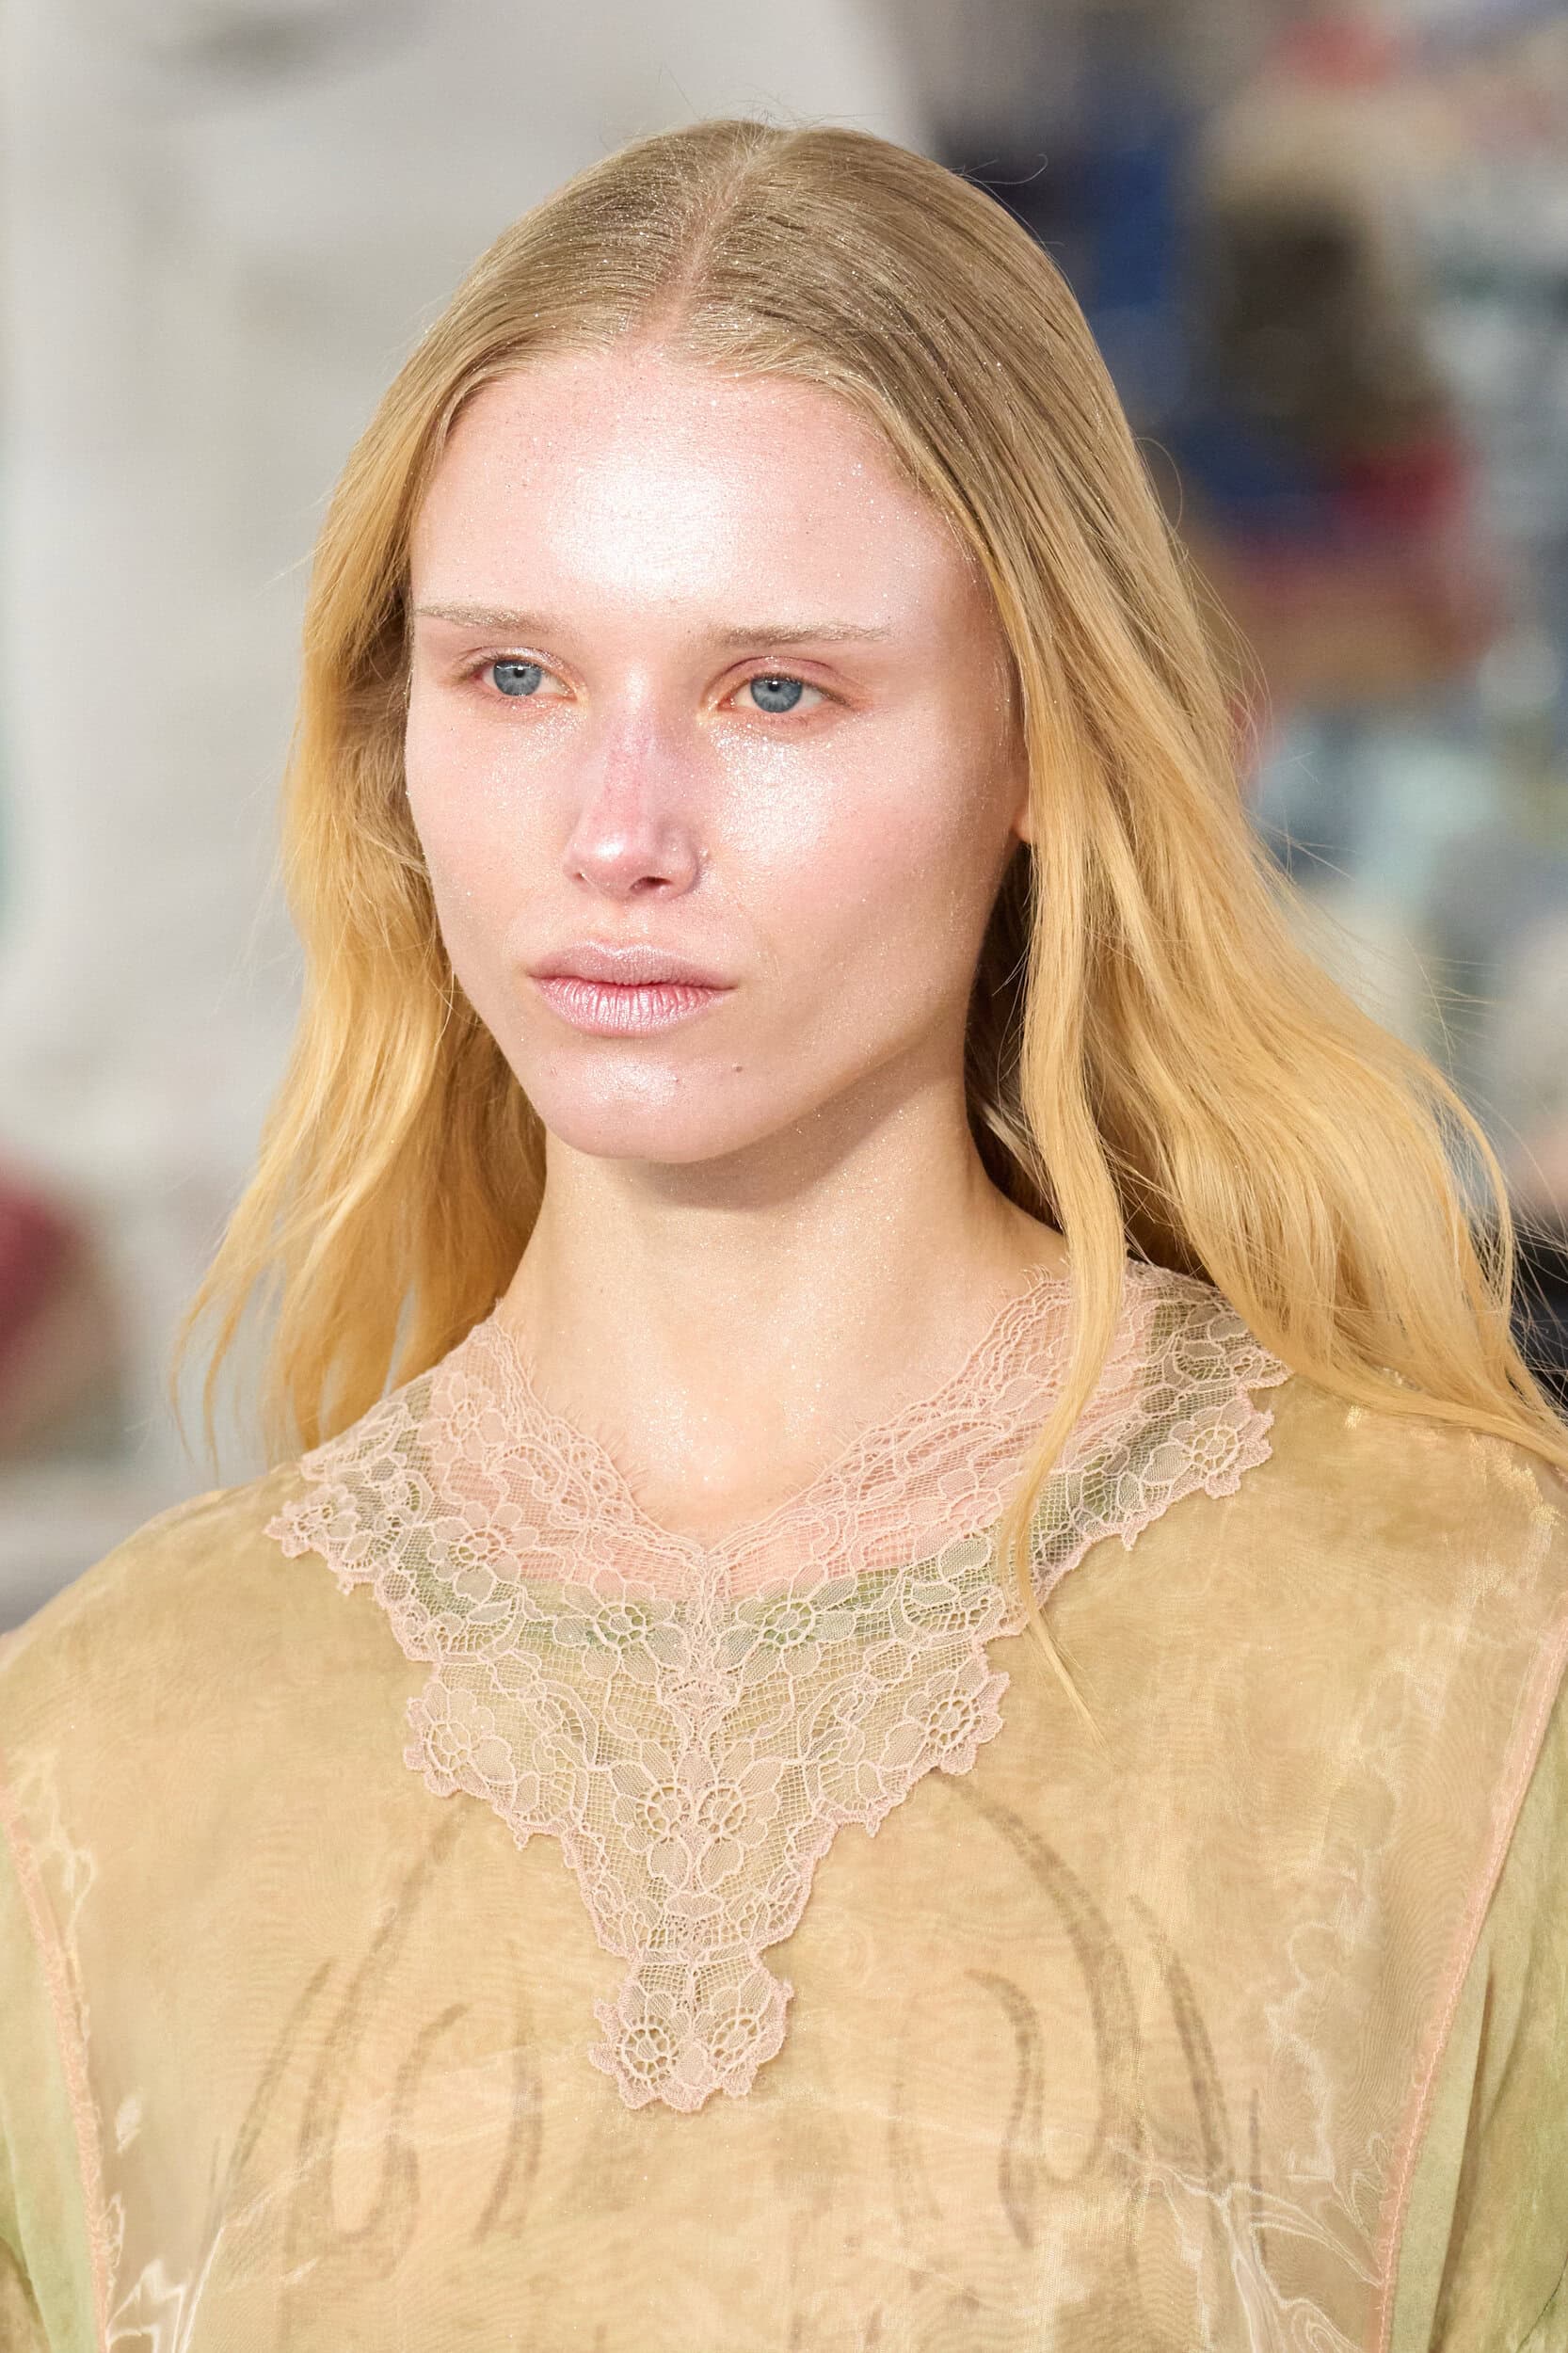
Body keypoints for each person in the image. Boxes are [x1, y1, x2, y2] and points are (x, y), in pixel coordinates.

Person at [2, 117, 1566, 2350]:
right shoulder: (90, 1755)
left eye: (773, 690)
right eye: (513, 676)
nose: (616, 830)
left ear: (1043, 745)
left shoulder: (1479, 1642)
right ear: (387, 737)